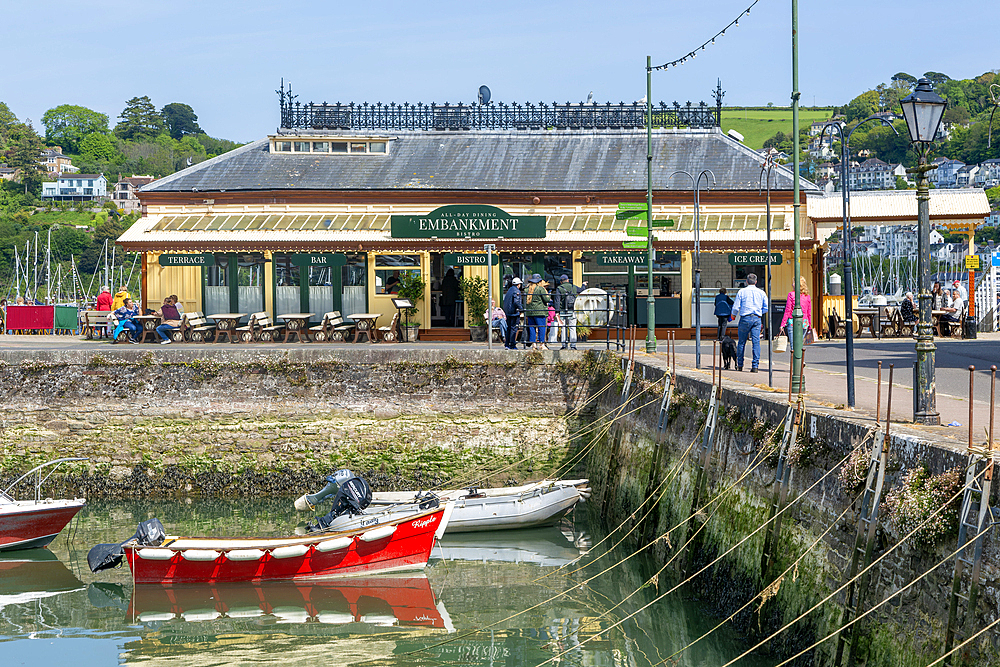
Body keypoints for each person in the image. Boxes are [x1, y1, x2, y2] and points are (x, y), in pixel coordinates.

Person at [729, 273, 768, 372]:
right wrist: (759, 312)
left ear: (746, 281)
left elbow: (736, 307)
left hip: (745, 318)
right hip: (756, 318)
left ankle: (740, 364)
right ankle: (755, 366)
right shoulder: (761, 292)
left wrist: (733, 315)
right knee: (756, 342)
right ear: (756, 282)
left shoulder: (742, 292)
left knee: (742, 342)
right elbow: (766, 307)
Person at [523, 274, 551, 350]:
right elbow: (546, 299)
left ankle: (534, 345)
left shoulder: (526, 289)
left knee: (532, 328)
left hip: (530, 312)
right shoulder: (540, 289)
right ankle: (542, 344)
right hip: (540, 312)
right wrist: (549, 295)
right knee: (541, 327)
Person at [554, 274, 579, 350]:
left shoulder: (559, 288)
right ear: (568, 280)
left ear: (561, 282)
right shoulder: (573, 287)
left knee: (563, 328)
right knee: (572, 327)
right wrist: (584, 285)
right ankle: (573, 345)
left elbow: (557, 301)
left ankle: (564, 345)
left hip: (563, 310)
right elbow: (581, 290)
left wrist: (557, 312)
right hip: (572, 309)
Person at [502, 277, 523, 350]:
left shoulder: (509, 290)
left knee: (509, 328)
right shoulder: (516, 291)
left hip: (508, 312)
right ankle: (512, 344)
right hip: (514, 312)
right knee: (514, 328)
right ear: (518, 284)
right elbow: (516, 301)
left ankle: (507, 344)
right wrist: (521, 309)